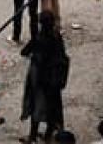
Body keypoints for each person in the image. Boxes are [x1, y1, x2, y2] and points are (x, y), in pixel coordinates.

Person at [20, 11, 68, 143]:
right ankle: (48, 134)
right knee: (53, 107)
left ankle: (32, 136)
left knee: (36, 107)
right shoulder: (57, 37)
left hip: (40, 80)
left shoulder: (39, 38)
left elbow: (24, 52)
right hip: (55, 80)